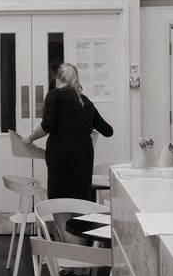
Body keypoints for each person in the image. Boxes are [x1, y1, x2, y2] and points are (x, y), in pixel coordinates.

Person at [22, 62, 113, 200]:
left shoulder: (54, 96)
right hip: (83, 158)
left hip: (60, 158)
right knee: (80, 202)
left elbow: (47, 126)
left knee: (60, 201)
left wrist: (29, 138)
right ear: (76, 80)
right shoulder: (86, 102)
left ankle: (62, 223)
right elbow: (108, 131)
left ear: (57, 79)